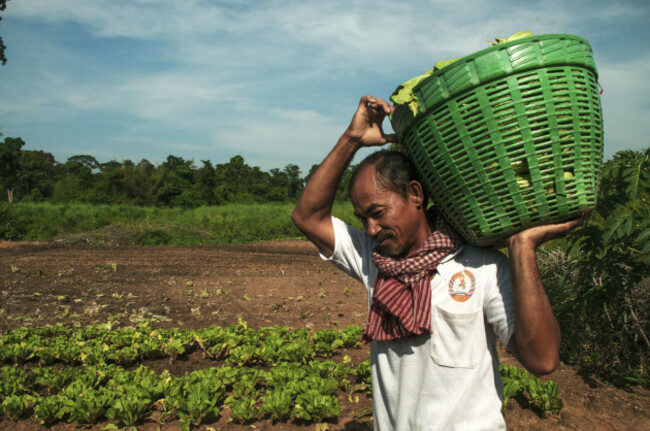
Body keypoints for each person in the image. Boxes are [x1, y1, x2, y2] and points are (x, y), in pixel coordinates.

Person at [291, 95, 581, 430]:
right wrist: (352, 139)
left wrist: (523, 247)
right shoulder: (374, 261)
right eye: (362, 218)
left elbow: (542, 360)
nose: (370, 229)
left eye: (378, 214)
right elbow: (307, 216)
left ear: (415, 194)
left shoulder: (482, 266)